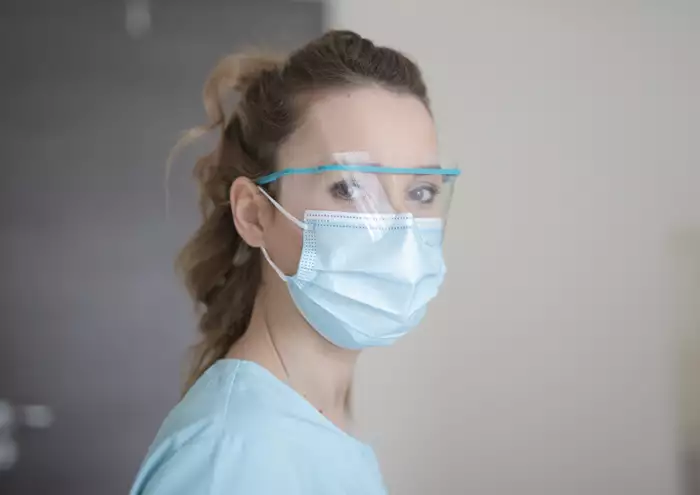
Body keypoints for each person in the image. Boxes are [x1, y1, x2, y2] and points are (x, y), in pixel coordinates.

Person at [130, 30, 459, 495]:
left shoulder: (316, 419)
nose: (400, 230)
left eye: (421, 191)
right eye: (349, 188)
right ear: (254, 214)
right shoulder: (229, 456)